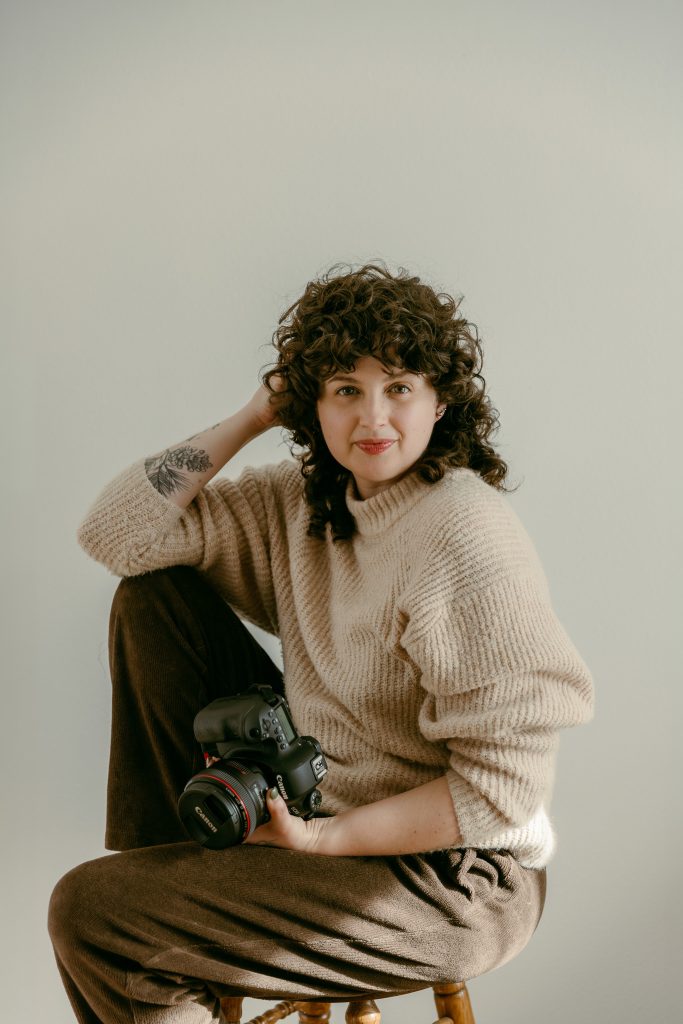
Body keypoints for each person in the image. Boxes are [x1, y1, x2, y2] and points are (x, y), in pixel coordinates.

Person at [48, 261, 595, 1024]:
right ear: (310, 403)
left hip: (453, 879)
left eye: (398, 387)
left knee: (95, 913)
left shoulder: (465, 536)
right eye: (344, 389)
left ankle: (162, 921)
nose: (372, 418)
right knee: (153, 598)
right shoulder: (301, 506)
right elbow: (116, 537)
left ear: (439, 402)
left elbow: (503, 795)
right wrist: (251, 416)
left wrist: (321, 840)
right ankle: (171, 869)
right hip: (320, 809)